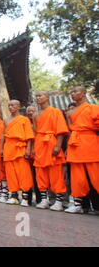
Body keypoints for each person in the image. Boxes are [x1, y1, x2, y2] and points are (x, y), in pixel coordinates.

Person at [64, 86, 99, 214]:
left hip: (90, 142)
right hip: (75, 143)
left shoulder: (93, 108)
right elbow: (69, 130)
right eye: (71, 92)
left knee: (96, 176)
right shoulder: (69, 112)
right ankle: (78, 204)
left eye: (76, 91)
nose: (72, 93)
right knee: (77, 177)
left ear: (84, 94)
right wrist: (67, 147)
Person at [32, 91, 69, 211]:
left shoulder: (55, 111)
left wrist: (58, 146)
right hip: (39, 143)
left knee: (56, 172)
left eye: (40, 95)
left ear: (47, 97)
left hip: (51, 142)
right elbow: (35, 132)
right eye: (37, 96)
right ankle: (44, 199)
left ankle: (59, 201)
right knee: (40, 172)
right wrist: (33, 148)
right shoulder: (35, 115)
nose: (38, 97)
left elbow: (61, 131)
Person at [0, 100, 35, 206]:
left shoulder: (24, 119)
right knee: (10, 173)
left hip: (20, 147)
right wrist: (1, 149)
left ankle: (25, 197)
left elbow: (29, 135)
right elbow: (3, 136)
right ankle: (14, 196)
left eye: (13, 105)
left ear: (19, 106)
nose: (10, 107)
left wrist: (28, 149)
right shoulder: (6, 120)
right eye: (9, 105)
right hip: (8, 147)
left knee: (23, 173)